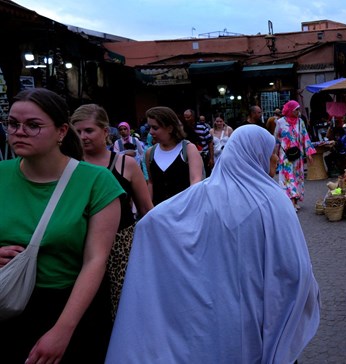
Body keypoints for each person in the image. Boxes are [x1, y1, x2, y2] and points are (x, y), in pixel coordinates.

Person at [106, 125, 321, 363]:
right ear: (255, 153)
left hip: (223, 310)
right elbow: (294, 268)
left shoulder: (206, 193)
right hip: (262, 306)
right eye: (270, 151)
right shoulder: (273, 199)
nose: (274, 158)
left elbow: (155, 221)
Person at [0, 88, 123, 363]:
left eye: (33, 125)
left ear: (61, 131)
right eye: (12, 123)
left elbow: (96, 260)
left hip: (70, 309)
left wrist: (63, 330)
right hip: (6, 304)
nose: (19, 131)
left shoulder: (97, 181)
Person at [70, 104, 153, 319]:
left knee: (123, 309)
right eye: (77, 132)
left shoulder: (126, 164)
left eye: (89, 130)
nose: (83, 137)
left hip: (122, 247)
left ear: (105, 132)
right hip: (80, 246)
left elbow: (146, 209)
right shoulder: (70, 166)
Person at [146, 106, 204, 205]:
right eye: (149, 127)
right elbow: (151, 183)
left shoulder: (188, 149)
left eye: (155, 128)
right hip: (159, 214)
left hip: (184, 211)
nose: (151, 132)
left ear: (170, 128)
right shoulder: (150, 153)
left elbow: (196, 182)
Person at [275, 100, 316, 211]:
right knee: (288, 177)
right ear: (290, 110)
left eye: (298, 109)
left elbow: (305, 137)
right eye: (296, 109)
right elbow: (276, 139)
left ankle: (296, 200)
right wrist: (274, 155)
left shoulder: (300, 122)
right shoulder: (280, 122)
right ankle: (291, 202)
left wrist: (309, 153)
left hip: (297, 154)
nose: (298, 111)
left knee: (297, 177)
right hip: (285, 155)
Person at [183, 109, 214, 175]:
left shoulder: (202, 127)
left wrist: (211, 158)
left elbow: (210, 142)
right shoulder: (183, 128)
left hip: (203, 156)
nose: (186, 119)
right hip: (188, 158)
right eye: (185, 117)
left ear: (193, 117)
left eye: (188, 117)